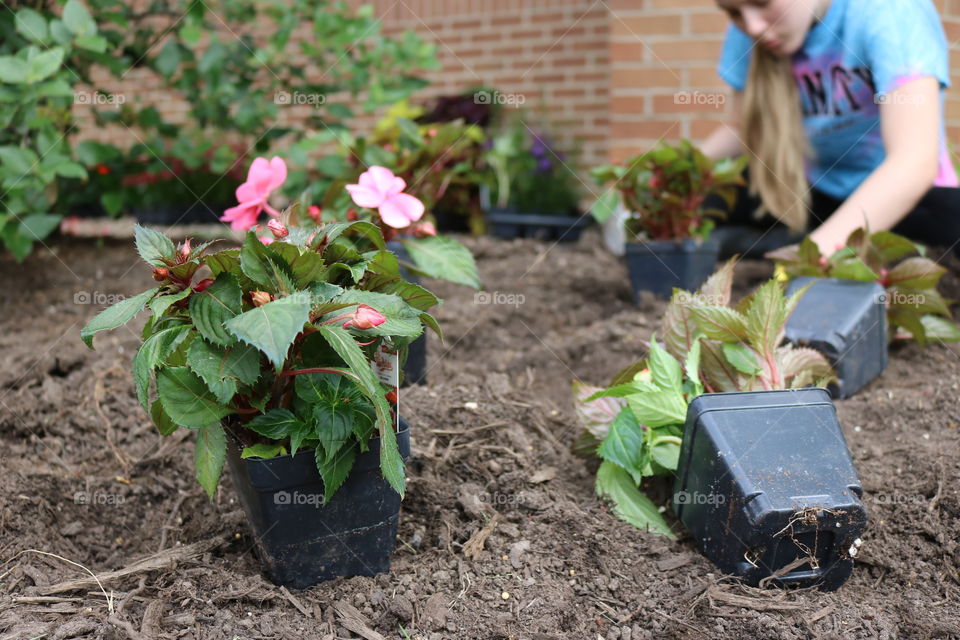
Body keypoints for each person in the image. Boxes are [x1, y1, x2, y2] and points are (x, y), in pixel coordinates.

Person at [700, 0, 960, 258]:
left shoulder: (889, 10)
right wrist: (675, 169)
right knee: (711, 201)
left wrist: (812, 254)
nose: (752, 27)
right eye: (733, 12)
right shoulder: (750, 29)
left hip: (907, 201)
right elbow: (742, 129)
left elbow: (913, 160)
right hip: (814, 191)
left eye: (763, 3)